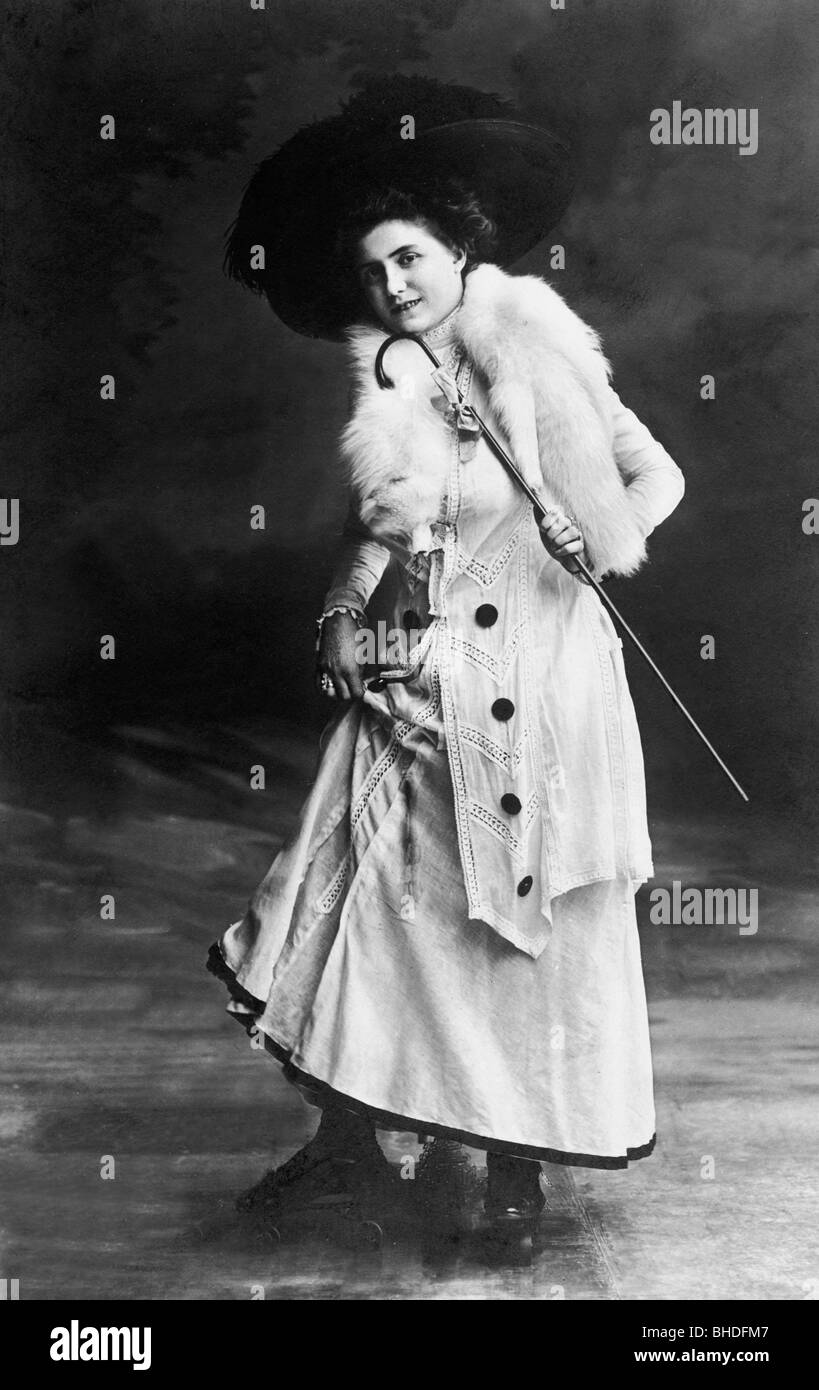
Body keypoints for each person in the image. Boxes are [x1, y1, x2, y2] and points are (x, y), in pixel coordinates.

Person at [208, 76, 685, 1223]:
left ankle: (516, 1161)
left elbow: (657, 476)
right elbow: (379, 530)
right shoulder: (395, 383)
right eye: (376, 271)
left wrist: (602, 536)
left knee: (527, 918)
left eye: (411, 257)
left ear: (459, 250)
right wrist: (339, 616)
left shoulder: (544, 355)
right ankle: (352, 1137)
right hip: (433, 678)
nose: (395, 284)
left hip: (549, 677)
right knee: (372, 891)